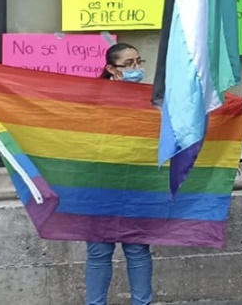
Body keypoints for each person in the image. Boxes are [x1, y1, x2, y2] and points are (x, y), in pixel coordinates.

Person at [86, 43, 153, 305]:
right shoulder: (94, 98)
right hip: (101, 183)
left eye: (139, 62)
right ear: (112, 69)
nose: (137, 68)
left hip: (137, 181)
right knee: (99, 251)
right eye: (129, 64)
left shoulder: (150, 98)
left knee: (137, 248)